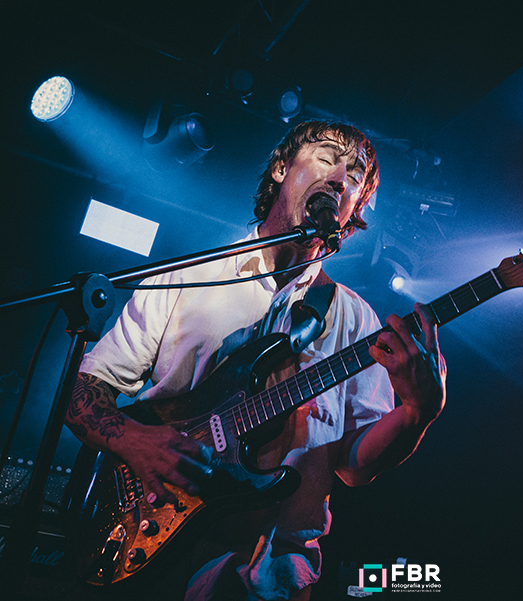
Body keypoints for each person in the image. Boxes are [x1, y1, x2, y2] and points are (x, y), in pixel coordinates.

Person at [65, 121, 447, 600]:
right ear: (281, 168)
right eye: (326, 159)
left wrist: (417, 414)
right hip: (152, 533)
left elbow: (355, 466)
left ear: (353, 210)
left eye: (354, 177)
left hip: (275, 573)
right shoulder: (187, 277)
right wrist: (137, 441)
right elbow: (82, 391)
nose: (338, 179)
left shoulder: (356, 321)